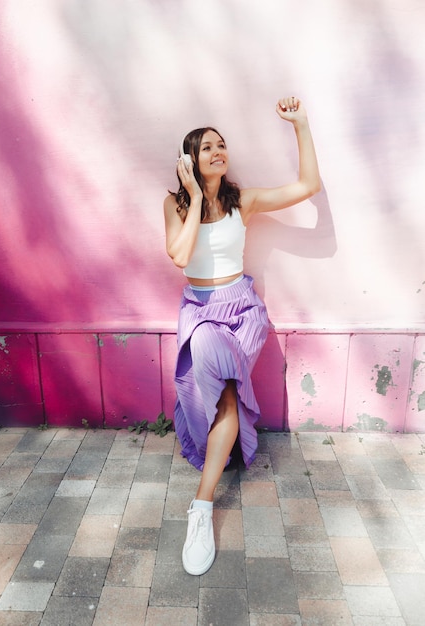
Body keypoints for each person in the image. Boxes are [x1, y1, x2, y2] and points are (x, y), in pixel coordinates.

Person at [164, 96, 321, 576]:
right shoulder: (175, 204)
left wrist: (301, 125)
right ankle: (216, 464)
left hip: (242, 310)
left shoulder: (244, 201)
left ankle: (201, 507)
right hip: (201, 309)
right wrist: (193, 198)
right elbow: (179, 255)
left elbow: (308, 186)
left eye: (221, 145)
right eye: (207, 146)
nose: (218, 151)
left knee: (228, 397)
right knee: (213, 384)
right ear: (190, 159)